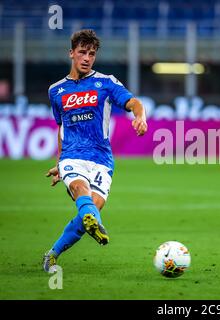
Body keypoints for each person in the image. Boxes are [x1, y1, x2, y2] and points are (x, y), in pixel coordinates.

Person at [43, 29, 148, 271]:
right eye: (82, 52)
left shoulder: (106, 82)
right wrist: (60, 163)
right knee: (81, 191)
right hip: (72, 155)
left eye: (91, 53)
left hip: (101, 158)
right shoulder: (56, 91)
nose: (87, 58)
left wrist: (140, 117)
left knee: (89, 212)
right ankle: (94, 224)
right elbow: (61, 128)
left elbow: (134, 102)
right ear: (71, 53)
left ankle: (53, 253)